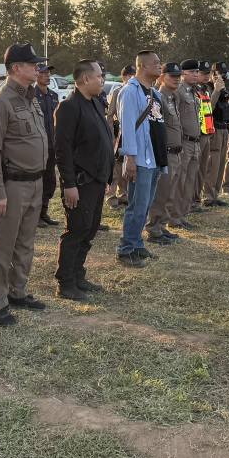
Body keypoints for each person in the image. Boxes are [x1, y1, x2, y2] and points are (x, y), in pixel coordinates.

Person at [0, 43, 50, 326]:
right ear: (15, 68)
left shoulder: (30, 97)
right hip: (13, 185)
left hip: (35, 182)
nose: (38, 68)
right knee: (4, 245)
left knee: (25, 242)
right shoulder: (1, 101)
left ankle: (18, 291)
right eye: (32, 64)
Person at [54, 60, 115, 300]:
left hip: (96, 180)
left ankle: (78, 275)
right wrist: (69, 184)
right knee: (77, 229)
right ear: (86, 79)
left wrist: (106, 176)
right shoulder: (69, 107)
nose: (102, 80)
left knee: (89, 229)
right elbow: (63, 150)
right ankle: (65, 282)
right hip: (80, 182)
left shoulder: (95, 103)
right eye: (99, 76)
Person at [116, 51, 164, 268]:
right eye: (156, 63)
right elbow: (127, 126)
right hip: (141, 158)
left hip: (154, 156)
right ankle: (126, 249)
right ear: (142, 66)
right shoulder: (130, 92)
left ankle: (137, 244)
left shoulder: (154, 93)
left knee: (145, 204)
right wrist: (130, 158)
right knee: (136, 205)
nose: (160, 66)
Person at [145, 62, 184, 245]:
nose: (176, 79)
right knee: (160, 194)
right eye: (172, 76)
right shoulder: (157, 97)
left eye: (178, 76)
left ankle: (161, 225)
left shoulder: (173, 96)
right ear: (161, 77)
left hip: (176, 153)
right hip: (165, 153)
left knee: (169, 193)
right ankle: (153, 228)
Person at [169, 60, 203, 231]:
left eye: (197, 71)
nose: (196, 74)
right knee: (180, 182)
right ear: (183, 73)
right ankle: (174, 217)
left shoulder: (193, 91)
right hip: (184, 142)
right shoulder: (179, 91)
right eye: (192, 72)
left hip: (196, 142)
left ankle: (183, 215)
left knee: (190, 181)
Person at [34, 62, 61, 227]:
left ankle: (43, 212)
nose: (47, 75)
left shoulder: (53, 96)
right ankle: (35, 215)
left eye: (48, 73)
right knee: (38, 181)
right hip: (38, 146)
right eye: (43, 73)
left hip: (52, 144)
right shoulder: (31, 95)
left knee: (50, 180)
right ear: (36, 74)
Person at [203, 62, 229, 205]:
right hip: (213, 130)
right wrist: (216, 90)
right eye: (219, 73)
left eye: (224, 73)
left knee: (220, 164)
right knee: (213, 164)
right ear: (212, 74)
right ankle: (208, 196)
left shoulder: (224, 89)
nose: (222, 76)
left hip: (224, 129)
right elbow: (208, 108)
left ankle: (215, 195)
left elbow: (226, 111)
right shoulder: (208, 88)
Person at [106, 65, 134, 209]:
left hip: (130, 133)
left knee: (124, 165)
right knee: (116, 167)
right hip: (119, 134)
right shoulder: (118, 91)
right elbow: (110, 115)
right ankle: (111, 196)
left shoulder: (135, 92)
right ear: (125, 76)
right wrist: (111, 136)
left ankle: (123, 194)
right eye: (131, 75)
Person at [193, 60, 214, 210]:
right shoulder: (193, 90)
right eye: (203, 73)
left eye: (208, 73)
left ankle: (196, 199)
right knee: (194, 170)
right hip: (197, 135)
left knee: (202, 169)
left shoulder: (206, 89)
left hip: (206, 133)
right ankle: (191, 200)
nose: (206, 76)